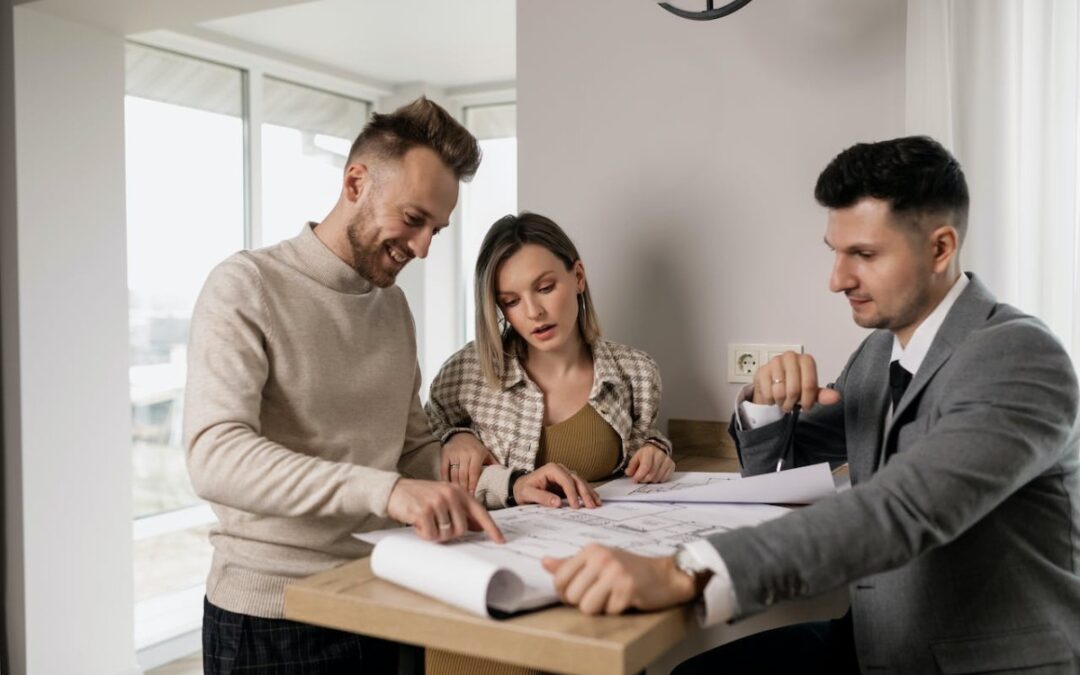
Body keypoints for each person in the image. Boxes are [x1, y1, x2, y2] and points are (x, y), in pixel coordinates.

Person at [541, 136, 1080, 674]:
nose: (837, 280)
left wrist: (687, 571)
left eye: (864, 255)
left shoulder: (1018, 356)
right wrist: (766, 405)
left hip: (974, 659)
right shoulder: (878, 353)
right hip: (873, 641)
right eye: (836, 252)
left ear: (940, 248)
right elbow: (780, 473)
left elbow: (903, 509)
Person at [183, 97, 504, 674]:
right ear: (356, 182)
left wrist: (510, 485)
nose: (425, 247)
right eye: (413, 219)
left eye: (436, 228)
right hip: (271, 618)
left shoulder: (393, 307)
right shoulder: (246, 285)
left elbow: (411, 450)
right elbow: (215, 455)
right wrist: (384, 492)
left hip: (377, 595)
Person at [424, 211, 676, 675]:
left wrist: (656, 452)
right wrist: (457, 439)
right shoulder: (466, 375)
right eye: (512, 301)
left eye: (545, 288)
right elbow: (423, 469)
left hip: (590, 595)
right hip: (488, 595)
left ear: (577, 277)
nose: (534, 313)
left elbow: (644, 439)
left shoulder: (636, 372)